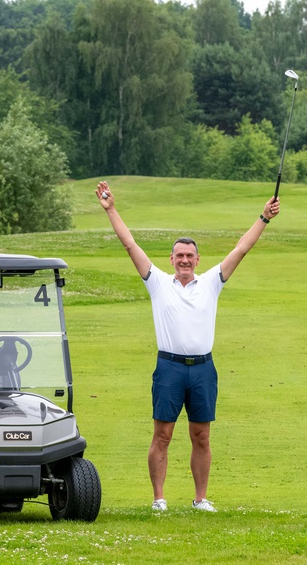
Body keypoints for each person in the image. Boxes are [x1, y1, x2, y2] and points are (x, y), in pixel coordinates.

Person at [96, 180, 279, 512]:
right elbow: (129, 244)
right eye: (179, 255)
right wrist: (111, 210)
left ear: (197, 259)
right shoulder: (158, 283)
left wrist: (264, 217)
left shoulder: (211, 282)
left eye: (189, 256)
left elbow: (241, 249)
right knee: (162, 435)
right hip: (169, 368)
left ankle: (200, 499)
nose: (184, 260)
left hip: (203, 369)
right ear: (171, 259)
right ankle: (159, 498)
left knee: (201, 436)